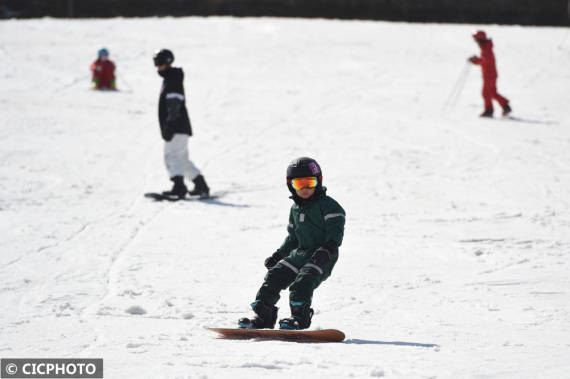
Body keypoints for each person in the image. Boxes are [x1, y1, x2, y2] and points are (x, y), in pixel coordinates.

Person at [239, 157, 346, 330]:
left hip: (322, 255)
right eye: (299, 184)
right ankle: (263, 317)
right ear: (291, 185)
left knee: (303, 282)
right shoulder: (295, 208)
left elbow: (336, 232)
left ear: (318, 181)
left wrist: (328, 248)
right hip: (300, 253)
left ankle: (299, 318)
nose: (305, 189)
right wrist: (279, 255)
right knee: (274, 276)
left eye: (309, 183)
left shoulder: (329, 206)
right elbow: (293, 238)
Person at [153, 48, 210, 199]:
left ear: (168, 63)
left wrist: (170, 124)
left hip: (176, 126)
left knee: (172, 156)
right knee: (181, 159)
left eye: (159, 64)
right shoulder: (171, 78)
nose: (158, 68)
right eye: (156, 65)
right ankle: (200, 184)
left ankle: (178, 187)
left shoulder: (172, 79)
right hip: (179, 126)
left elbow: (174, 103)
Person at [468, 31, 511, 117]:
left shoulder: (486, 48)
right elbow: (484, 60)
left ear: (480, 40)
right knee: (492, 92)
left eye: (476, 40)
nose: (475, 42)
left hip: (489, 75)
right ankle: (505, 105)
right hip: (490, 74)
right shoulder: (485, 47)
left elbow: (485, 60)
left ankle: (489, 110)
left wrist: (475, 60)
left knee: (486, 93)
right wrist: (476, 59)